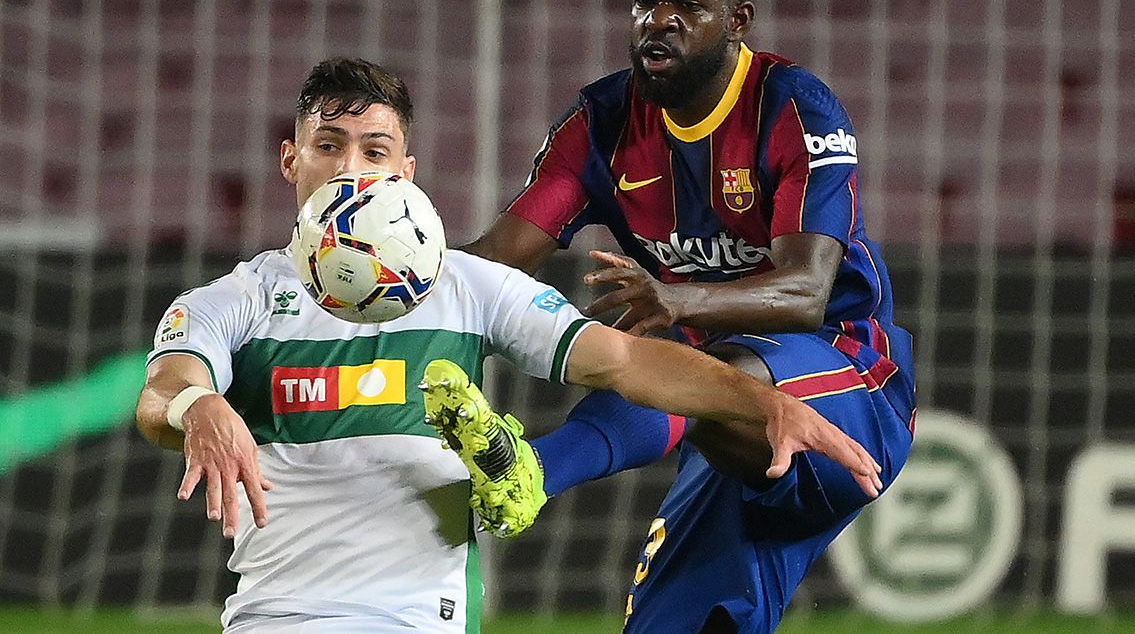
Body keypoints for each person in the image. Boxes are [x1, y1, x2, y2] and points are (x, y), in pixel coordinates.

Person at [134, 57, 881, 634]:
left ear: (406, 172)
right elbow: (164, 389)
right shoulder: (239, 299)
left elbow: (624, 360)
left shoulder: (466, 286)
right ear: (291, 160)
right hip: (277, 618)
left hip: (425, 620)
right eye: (328, 145)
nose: (351, 168)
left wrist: (760, 402)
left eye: (374, 148)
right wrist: (199, 405)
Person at [461, 0, 917, 634]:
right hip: (718, 429)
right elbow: (490, 263)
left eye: (688, 6)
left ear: (738, 19)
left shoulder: (793, 106)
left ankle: (534, 472)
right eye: (645, 0)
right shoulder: (602, 122)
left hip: (846, 384)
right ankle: (525, 478)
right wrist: (383, 288)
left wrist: (676, 298)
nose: (658, 21)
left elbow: (806, 292)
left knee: (670, 357)